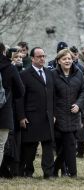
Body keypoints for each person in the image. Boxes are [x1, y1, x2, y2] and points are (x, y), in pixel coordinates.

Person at [16, 47, 55, 178]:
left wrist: (53, 113)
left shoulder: (50, 73)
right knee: (30, 147)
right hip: (31, 116)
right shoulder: (24, 75)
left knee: (48, 146)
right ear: (32, 58)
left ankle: (48, 173)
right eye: (39, 56)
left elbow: (52, 96)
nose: (42, 58)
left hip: (47, 116)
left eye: (43, 56)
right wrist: (21, 117)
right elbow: (20, 98)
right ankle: (27, 171)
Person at [52, 49, 84, 177]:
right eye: (64, 59)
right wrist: (53, 114)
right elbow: (50, 96)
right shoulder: (53, 75)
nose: (67, 61)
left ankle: (66, 172)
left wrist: (78, 104)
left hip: (73, 115)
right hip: (58, 115)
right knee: (66, 145)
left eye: (69, 59)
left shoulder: (79, 73)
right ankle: (65, 171)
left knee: (69, 144)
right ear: (59, 61)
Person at [0, 43, 24, 177]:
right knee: (0, 145)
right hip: (4, 111)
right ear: (4, 52)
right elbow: (20, 91)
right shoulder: (10, 68)